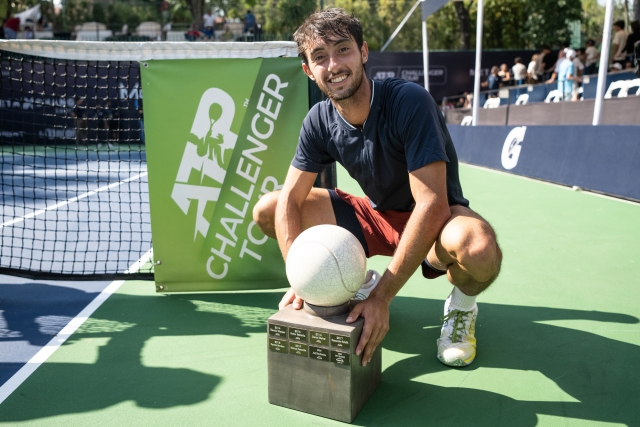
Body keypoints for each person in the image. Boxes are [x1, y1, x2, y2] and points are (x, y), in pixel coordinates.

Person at [253, 8, 502, 368]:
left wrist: (382, 297)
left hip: (435, 223)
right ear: (309, 70)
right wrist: (304, 278)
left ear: (364, 52)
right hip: (375, 216)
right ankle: (352, 276)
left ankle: (461, 307)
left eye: (343, 49)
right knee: (268, 209)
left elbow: (432, 205)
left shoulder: (408, 101)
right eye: (320, 57)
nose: (334, 64)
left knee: (478, 249)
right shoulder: (319, 120)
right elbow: (290, 199)